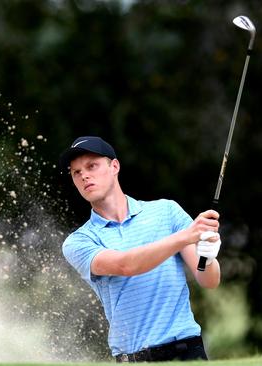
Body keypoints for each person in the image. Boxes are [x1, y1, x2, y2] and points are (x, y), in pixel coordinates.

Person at [59, 136, 222, 362]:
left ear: (114, 166)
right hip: (134, 358)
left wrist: (208, 256)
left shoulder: (167, 212)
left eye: (92, 166)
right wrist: (184, 237)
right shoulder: (79, 242)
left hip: (187, 351)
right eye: (76, 172)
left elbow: (209, 280)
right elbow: (125, 265)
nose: (84, 175)